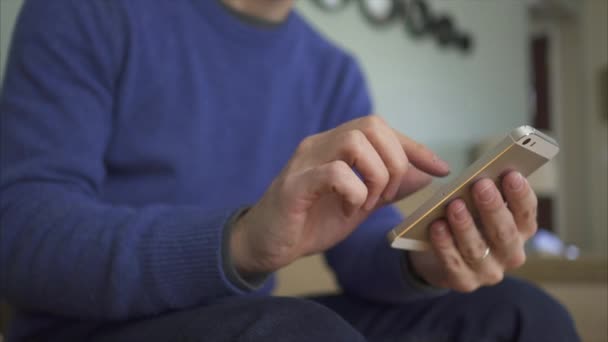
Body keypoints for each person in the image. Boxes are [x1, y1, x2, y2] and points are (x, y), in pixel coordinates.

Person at [0, 0, 579, 341]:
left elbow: (359, 254)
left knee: (521, 315)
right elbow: (22, 234)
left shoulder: (330, 71)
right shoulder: (85, 12)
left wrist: (428, 257)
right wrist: (242, 241)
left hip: (250, 321)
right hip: (87, 328)